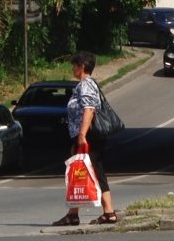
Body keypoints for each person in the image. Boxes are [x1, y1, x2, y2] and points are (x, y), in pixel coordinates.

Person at [52, 51, 117, 226]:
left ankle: (98, 213)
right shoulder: (87, 84)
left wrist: (81, 135)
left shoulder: (85, 85)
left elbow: (89, 109)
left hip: (87, 136)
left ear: (81, 66)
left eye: (74, 65)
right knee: (88, 172)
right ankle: (98, 213)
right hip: (88, 136)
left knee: (85, 172)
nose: (72, 68)